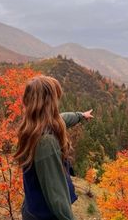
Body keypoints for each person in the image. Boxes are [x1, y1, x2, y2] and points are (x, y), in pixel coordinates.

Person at [13, 75, 94, 220]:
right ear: (49, 102)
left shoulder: (32, 127)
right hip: (45, 215)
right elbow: (56, 194)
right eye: (56, 97)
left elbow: (62, 119)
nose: (58, 101)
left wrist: (80, 116)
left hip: (32, 208)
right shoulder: (46, 143)